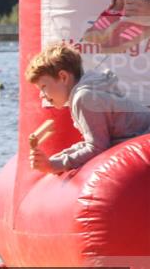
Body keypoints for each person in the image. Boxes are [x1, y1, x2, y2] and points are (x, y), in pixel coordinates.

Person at [26, 42, 150, 173]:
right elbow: (93, 142)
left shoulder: (84, 98)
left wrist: (54, 165)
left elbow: (97, 148)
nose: (41, 95)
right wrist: (59, 157)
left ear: (63, 77)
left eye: (43, 87)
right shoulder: (86, 92)